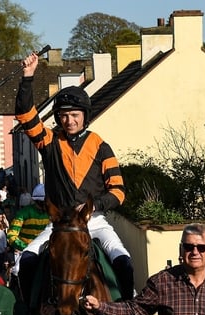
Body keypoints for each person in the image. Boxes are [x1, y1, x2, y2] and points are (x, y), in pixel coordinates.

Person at [15, 52, 134, 300]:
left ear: (84, 116)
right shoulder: (49, 141)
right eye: (64, 116)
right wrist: (28, 77)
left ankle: (128, 313)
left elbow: (119, 192)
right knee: (24, 263)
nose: (69, 120)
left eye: (74, 115)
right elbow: (26, 116)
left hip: (95, 221)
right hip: (59, 224)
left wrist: (93, 206)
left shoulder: (101, 146)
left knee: (123, 261)